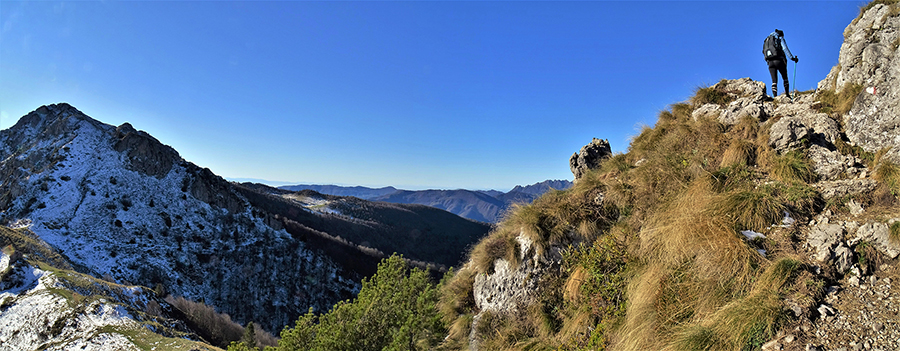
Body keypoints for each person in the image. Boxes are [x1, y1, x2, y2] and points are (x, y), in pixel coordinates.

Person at [763, 29, 799, 99]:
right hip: (779, 60)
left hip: (770, 62)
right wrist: (792, 58)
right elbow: (785, 48)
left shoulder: (767, 40)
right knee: (785, 77)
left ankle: (775, 97)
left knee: (774, 81)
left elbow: (763, 51)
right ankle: (787, 95)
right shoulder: (779, 38)